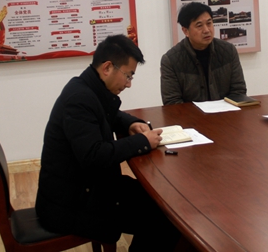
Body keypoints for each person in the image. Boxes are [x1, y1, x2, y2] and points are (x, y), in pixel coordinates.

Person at [35, 35, 182, 251]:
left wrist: (130, 124)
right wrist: (142, 142)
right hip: (71, 205)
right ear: (107, 68)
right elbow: (95, 156)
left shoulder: (87, 87)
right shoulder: (79, 99)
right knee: (166, 219)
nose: (129, 84)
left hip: (85, 188)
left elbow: (109, 114)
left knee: (163, 202)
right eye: (128, 76)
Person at [160, 2, 247, 105]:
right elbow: (172, 103)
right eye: (199, 25)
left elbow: (238, 91)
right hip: (189, 115)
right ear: (185, 31)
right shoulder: (171, 61)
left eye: (209, 23)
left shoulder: (228, 51)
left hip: (226, 113)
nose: (206, 30)